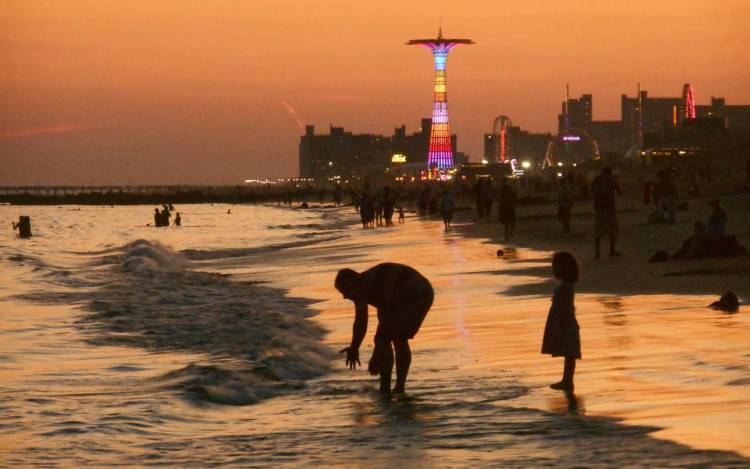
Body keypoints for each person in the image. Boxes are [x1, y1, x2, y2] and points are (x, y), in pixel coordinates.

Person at [335, 263, 434, 395]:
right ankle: (389, 387)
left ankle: (394, 388)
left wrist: (354, 348)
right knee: (387, 337)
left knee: (397, 338)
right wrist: (376, 353)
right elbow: (383, 327)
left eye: (343, 291)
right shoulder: (374, 287)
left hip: (413, 292)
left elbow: (361, 321)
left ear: (351, 284)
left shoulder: (362, 287)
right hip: (422, 290)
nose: (345, 297)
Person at [541, 252, 581, 391]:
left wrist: (557, 324)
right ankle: (566, 380)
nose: (552, 269)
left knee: (570, 352)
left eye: (554, 267)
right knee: (568, 352)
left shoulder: (565, 286)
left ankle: (568, 380)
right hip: (566, 321)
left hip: (565, 322)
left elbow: (563, 307)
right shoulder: (566, 285)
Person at [591, 166, 622, 258]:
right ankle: (611, 251)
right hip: (609, 207)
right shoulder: (611, 180)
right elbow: (619, 192)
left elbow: (592, 190)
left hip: (599, 208)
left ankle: (597, 251)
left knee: (598, 231)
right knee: (612, 230)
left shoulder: (596, 180)